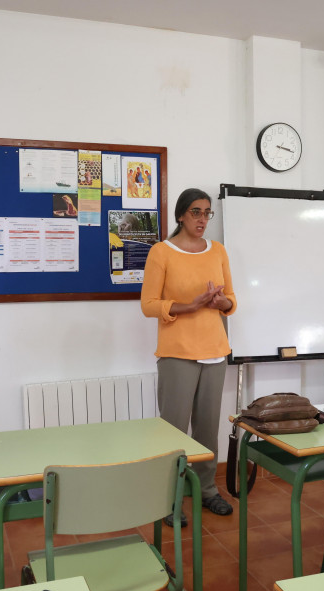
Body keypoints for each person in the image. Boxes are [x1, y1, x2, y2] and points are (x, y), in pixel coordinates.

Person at [141, 187, 236, 525]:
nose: (202, 219)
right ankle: (169, 498)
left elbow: (231, 301)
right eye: (196, 212)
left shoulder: (219, 251)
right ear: (181, 215)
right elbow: (149, 305)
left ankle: (207, 490)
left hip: (215, 350)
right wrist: (190, 305)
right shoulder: (161, 252)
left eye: (207, 213)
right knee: (173, 430)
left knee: (207, 429)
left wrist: (219, 302)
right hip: (177, 352)